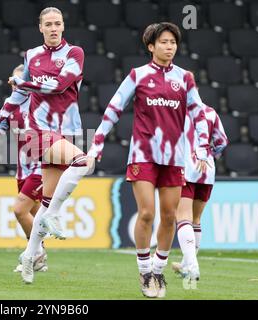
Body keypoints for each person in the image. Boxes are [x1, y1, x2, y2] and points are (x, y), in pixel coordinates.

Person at [87, 22, 211, 298]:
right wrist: (97, 142)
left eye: (173, 42)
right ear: (151, 46)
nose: (169, 47)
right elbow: (114, 107)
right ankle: (144, 270)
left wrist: (202, 148)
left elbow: (199, 115)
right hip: (143, 154)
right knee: (146, 213)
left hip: (174, 158)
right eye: (164, 42)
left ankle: (158, 269)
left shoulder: (185, 78)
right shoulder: (138, 75)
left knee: (169, 217)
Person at [0, 7, 91, 284]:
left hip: (68, 132)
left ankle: (30, 255)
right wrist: (1, 116)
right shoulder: (32, 55)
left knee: (45, 205)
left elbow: (61, 86)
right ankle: (56, 216)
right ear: (40, 28)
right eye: (48, 24)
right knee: (82, 162)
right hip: (38, 131)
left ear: (63, 26)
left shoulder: (75, 54)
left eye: (57, 23)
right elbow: (20, 93)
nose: (53, 28)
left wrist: (24, 82)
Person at [0, 64, 47, 273]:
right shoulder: (12, 107)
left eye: (20, 83)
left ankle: (33, 255)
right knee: (35, 218)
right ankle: (39, 258)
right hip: (22, 170)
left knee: (19, 210)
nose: (16, 88)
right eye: (14, 84)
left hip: (41, 167)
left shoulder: (42, 106)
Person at [172, 103, 228, 282]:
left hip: (185, 167)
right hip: (207, 170)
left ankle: (192, 265)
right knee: (195, 219)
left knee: (183, 217)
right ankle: (186, 264)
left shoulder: (176, 109)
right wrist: (210, 156)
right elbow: (222, 142)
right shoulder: (211, 112)